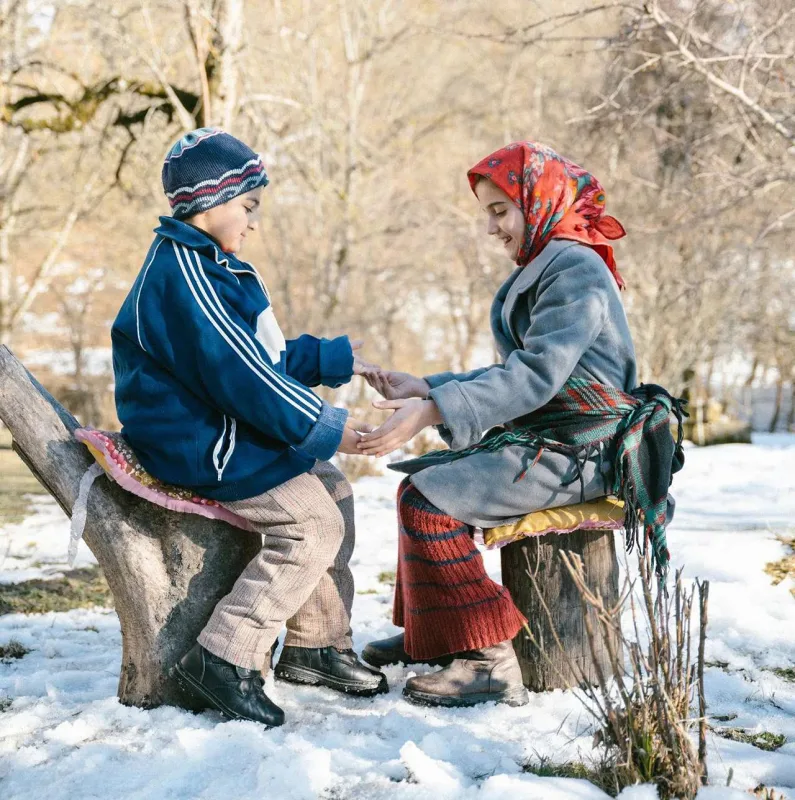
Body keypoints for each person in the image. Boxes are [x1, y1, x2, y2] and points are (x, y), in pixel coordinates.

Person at [359, 141, 683, 708]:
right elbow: (517, 369)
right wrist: (430, 387)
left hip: (585, 451)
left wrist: (437, 410)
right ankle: (435, 636)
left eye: (499, 210)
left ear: (539, 200)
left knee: (429, 503)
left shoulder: (575, 269)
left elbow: (536, 376)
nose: (491, 228)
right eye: (488, 212)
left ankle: (488, 659)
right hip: (553, 441)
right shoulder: (553, 262)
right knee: (417, 491)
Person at [111, 128, 386, 728]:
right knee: (312, 523)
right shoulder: (183, 277)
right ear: (209, 204)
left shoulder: (213, 267)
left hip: (220, 423)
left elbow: (257, 359)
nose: (253, 222)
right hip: (196, 441)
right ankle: (223, 657)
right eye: (248, 207)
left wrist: (333, 360)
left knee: (334, 489)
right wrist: (326, 424)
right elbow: (244, 380)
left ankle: (316, 643)